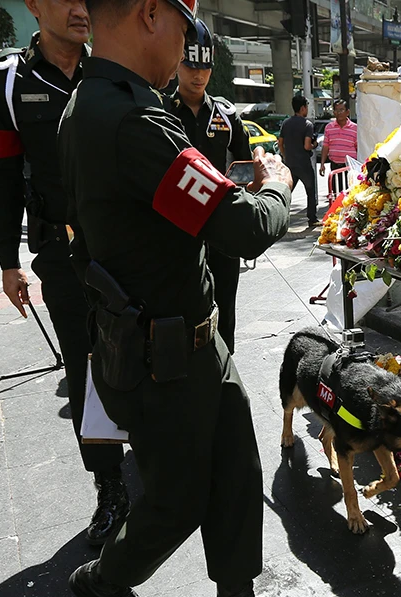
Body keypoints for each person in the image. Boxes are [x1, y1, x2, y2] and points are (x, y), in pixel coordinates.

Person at [59, 0, 312, 597]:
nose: (190, 44)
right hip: (160, 357)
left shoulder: (94, 103)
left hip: (188, 338)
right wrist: (279, 184)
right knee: (174, 501)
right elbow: (245, 227)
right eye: (186, 25)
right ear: (150, 14)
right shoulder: (132, 120)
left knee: (234, 464)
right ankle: (105, 579)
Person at [0, 0, 128, 546]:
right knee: (86, 366)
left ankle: (159, 456)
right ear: (33, 6)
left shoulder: (113, 65)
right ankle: (110, 487)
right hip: (62, 252)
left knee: (143, 348)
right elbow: (3, 176)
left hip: (124, 245)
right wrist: (7, 261)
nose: (79, 9)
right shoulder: (8, 81)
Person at [170, 17, 251, 353]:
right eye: (190, 65)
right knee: (180, 314)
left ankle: (223, 373)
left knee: (225, 314)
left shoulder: (227, 116)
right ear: (177, 61)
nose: (198, 75)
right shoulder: (159, 112)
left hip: (219, 235)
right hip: (174, 234)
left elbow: (244, 170)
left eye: (205, 66)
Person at [279, 94, 318, 226]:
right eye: (306, 107)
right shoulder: (307, 125)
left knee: (287, 192)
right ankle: (312, 218)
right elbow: (307, 145)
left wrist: (285, 156)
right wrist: (314, 145)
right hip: (303, 164)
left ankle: (280, 216)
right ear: (302, 108)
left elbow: (280, 143)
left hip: (290, 163)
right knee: (310, 190)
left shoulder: (286, 123)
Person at [319, 98, 357, 176]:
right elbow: (326, 146)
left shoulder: (355, 128)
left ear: (347, 112)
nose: (339, 113)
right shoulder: (329, 127)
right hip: (334, 166)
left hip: (349, 167)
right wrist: (322, 164)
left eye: (341, 110)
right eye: (336, 110)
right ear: (334, 112)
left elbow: (358, 148)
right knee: (335, 187)